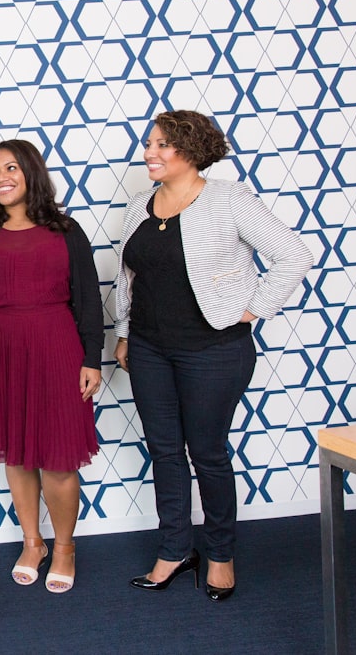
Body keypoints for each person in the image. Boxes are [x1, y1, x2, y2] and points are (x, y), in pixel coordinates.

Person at [113, 110, 313, 601]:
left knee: (207, 452)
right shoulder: (139, 206)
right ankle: (175, 549)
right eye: (149, 143)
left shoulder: (228, 200)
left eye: (164, 145)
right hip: (148, 348)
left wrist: (255, 308)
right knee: (164, 451)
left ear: (193, 150)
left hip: (214, 350)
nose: (151, 153)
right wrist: (122, 333)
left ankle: (220, 553)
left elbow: (295, 254)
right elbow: (128, 278)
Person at [0, 139, 103, 594]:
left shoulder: (66, 229)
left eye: (12, 168)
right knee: (16, 452)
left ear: (31, 173)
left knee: (57, 456)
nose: (1, 177)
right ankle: (32, 541)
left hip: (57, 346)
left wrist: (91, 358)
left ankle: (63, 547)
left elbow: (89, 297)